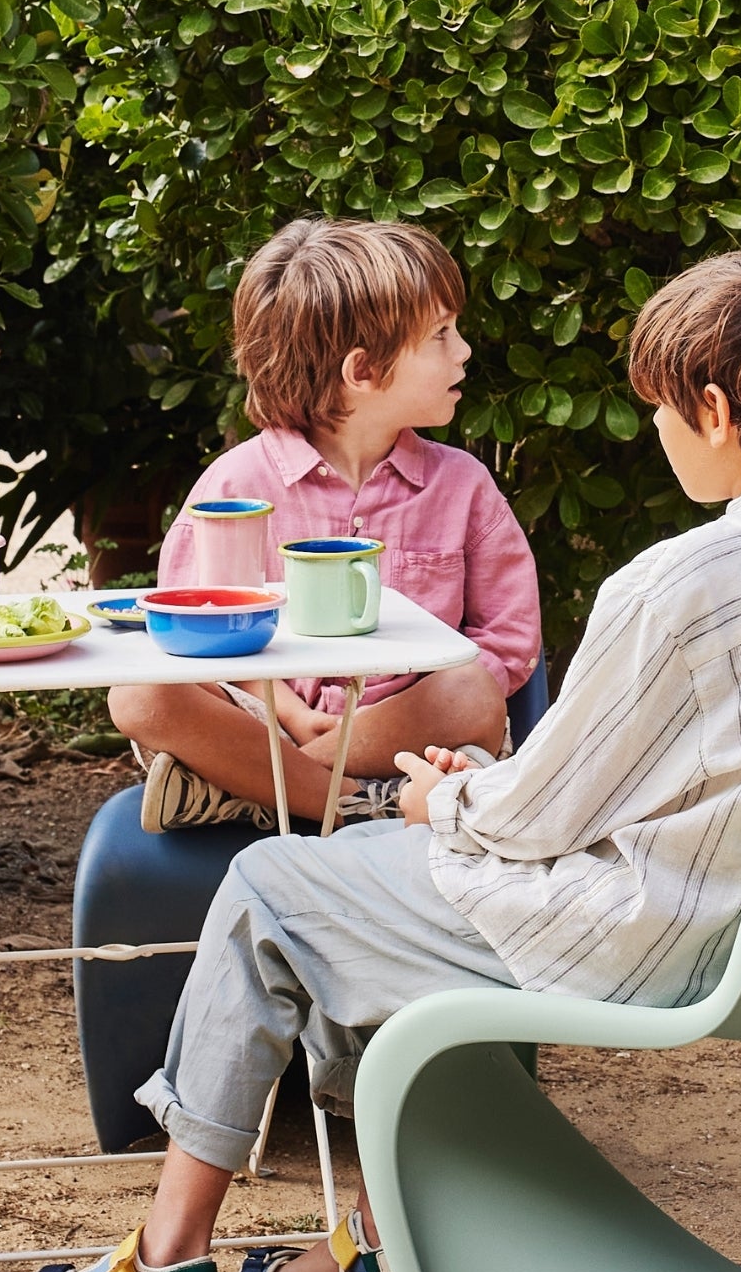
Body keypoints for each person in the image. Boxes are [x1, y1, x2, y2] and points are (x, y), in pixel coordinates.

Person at [0, 241, 741, 1272]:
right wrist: (480, 792)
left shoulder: (677, 586)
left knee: (270, 884)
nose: (657, 427)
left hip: (639, 933)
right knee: (351, 893)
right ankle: (376, 1258)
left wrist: (441, 805)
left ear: (715, 411)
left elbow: (543, 817)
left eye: (661, 408)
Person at [122, 218, 543, 833]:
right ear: (362, 370)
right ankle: (350, 803)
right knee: (140, 694)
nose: (463, 351)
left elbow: (509, 640)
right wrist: (292, 717)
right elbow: (190, 637)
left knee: (472, 691)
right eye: (441, 335)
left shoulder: (464, 486)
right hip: (265, 717)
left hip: (409, 736)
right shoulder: (232, 487)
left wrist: (361, 730)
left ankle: (253, 790)